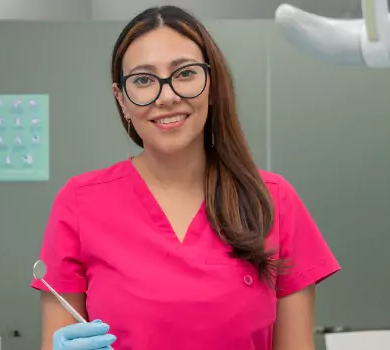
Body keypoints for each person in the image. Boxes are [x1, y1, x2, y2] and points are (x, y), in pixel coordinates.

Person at [31, 5, 341, 350]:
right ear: (122, 99)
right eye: (144, 80)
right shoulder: (80, 203)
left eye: (185, 74)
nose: (167, 96)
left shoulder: (273, 201)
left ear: (211, 83)